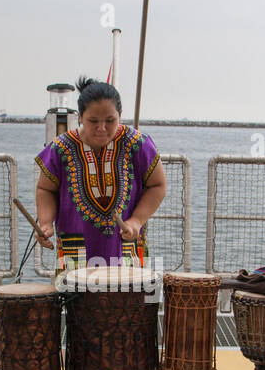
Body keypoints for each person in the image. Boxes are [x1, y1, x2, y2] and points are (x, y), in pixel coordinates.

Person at [33, 77, 166, 269]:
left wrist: (137, 221)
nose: (102, 128)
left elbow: (158, 185)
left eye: (110, 121)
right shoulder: (61, 148)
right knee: (74, 297)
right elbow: (46, 189)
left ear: (120, 115)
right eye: (93, 121)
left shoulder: (137, 144)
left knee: (126, 297)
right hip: (75, 250)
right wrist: (45, 223)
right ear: (80, 117)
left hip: (123, 249)